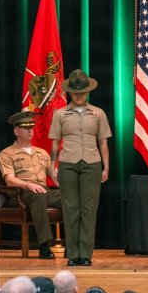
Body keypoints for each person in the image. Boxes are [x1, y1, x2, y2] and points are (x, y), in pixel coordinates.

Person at [49, 69, 112, 266]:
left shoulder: (98, 113)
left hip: (91, 164)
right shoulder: (60, 114)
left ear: (87, 92)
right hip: (68, 164)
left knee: (88, 209)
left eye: (82, 92)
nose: (78, 95)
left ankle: (85, 254)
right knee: (70, 209)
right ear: (69, 92)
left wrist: (106, 167)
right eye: (75, 92)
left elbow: (103, 142)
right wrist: (53, 165)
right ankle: (72, 254)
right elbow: (55, 142)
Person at [0, 110, 63, 260]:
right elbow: (9, 180)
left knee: (71, 195)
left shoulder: (41, 153)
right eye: (25, 128)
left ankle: (74, 244)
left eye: (31, 127)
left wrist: (67, 184)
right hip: (21, 194)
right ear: (16, 131)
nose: (30, 130)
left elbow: (54, 175)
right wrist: (28, 185)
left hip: (44, 191)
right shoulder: (7, 153)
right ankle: (45, 246)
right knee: (37, 195)